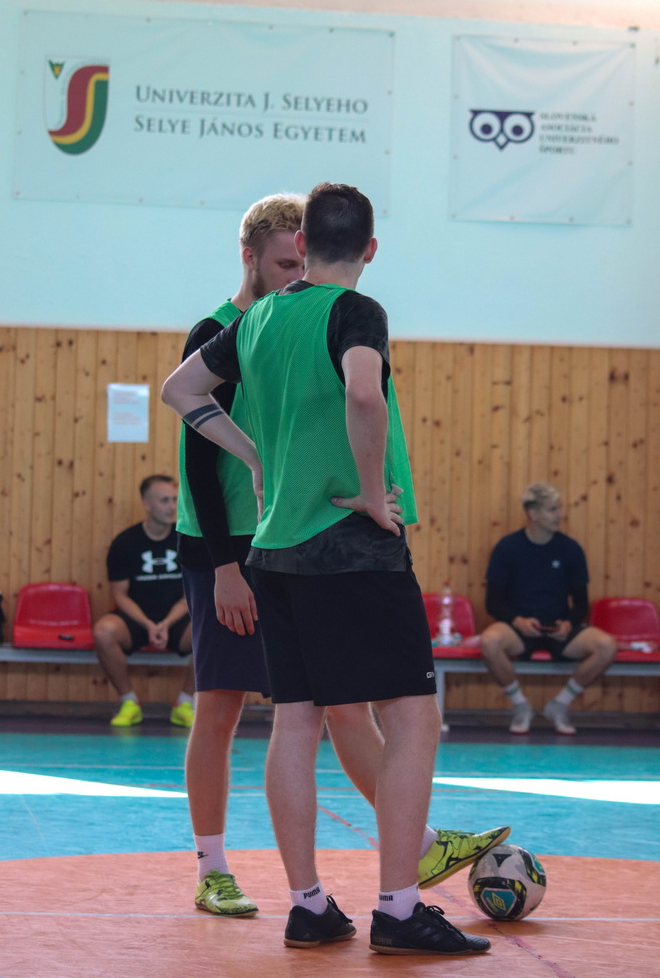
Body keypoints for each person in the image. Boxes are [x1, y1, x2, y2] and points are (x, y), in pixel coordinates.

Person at [163, 183, 496, 957]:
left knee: (295, 720)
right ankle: (398, 909)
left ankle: (308, 905)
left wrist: (255, 459)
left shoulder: (258, 320)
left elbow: (181, 391)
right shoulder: (354, 311)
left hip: (273, 548)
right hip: (348, 543)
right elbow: (363, 393)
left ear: (302, 245)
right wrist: (375, 494)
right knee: (411, 716)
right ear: (370, 249)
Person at [479, 482, 617, 735]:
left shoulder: (570, 549)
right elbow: (493, 603)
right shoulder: (507, 548)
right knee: (489, 642)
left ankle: (559, 704)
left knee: (606, 645)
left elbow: (581, 603)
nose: (560, 514)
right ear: (533, 513)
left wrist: (569, 624)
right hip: (520, 629)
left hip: (560, 629)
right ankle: (521, 705)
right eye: (553, 509)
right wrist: (517, 621)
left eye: (560, 508)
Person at [93, 474, 194, 727]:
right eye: (164, 500)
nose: (172, 506)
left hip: (177, 618)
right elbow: (119, 595)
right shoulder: (125, 542)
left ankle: (185, 704)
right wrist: (149, 625)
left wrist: (166, 623)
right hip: (136, 620)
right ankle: (129, 703)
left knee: (213, 630)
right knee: (104, 632)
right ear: (147, 504)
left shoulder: (186, 539)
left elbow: (191, 593)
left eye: (174, 500)